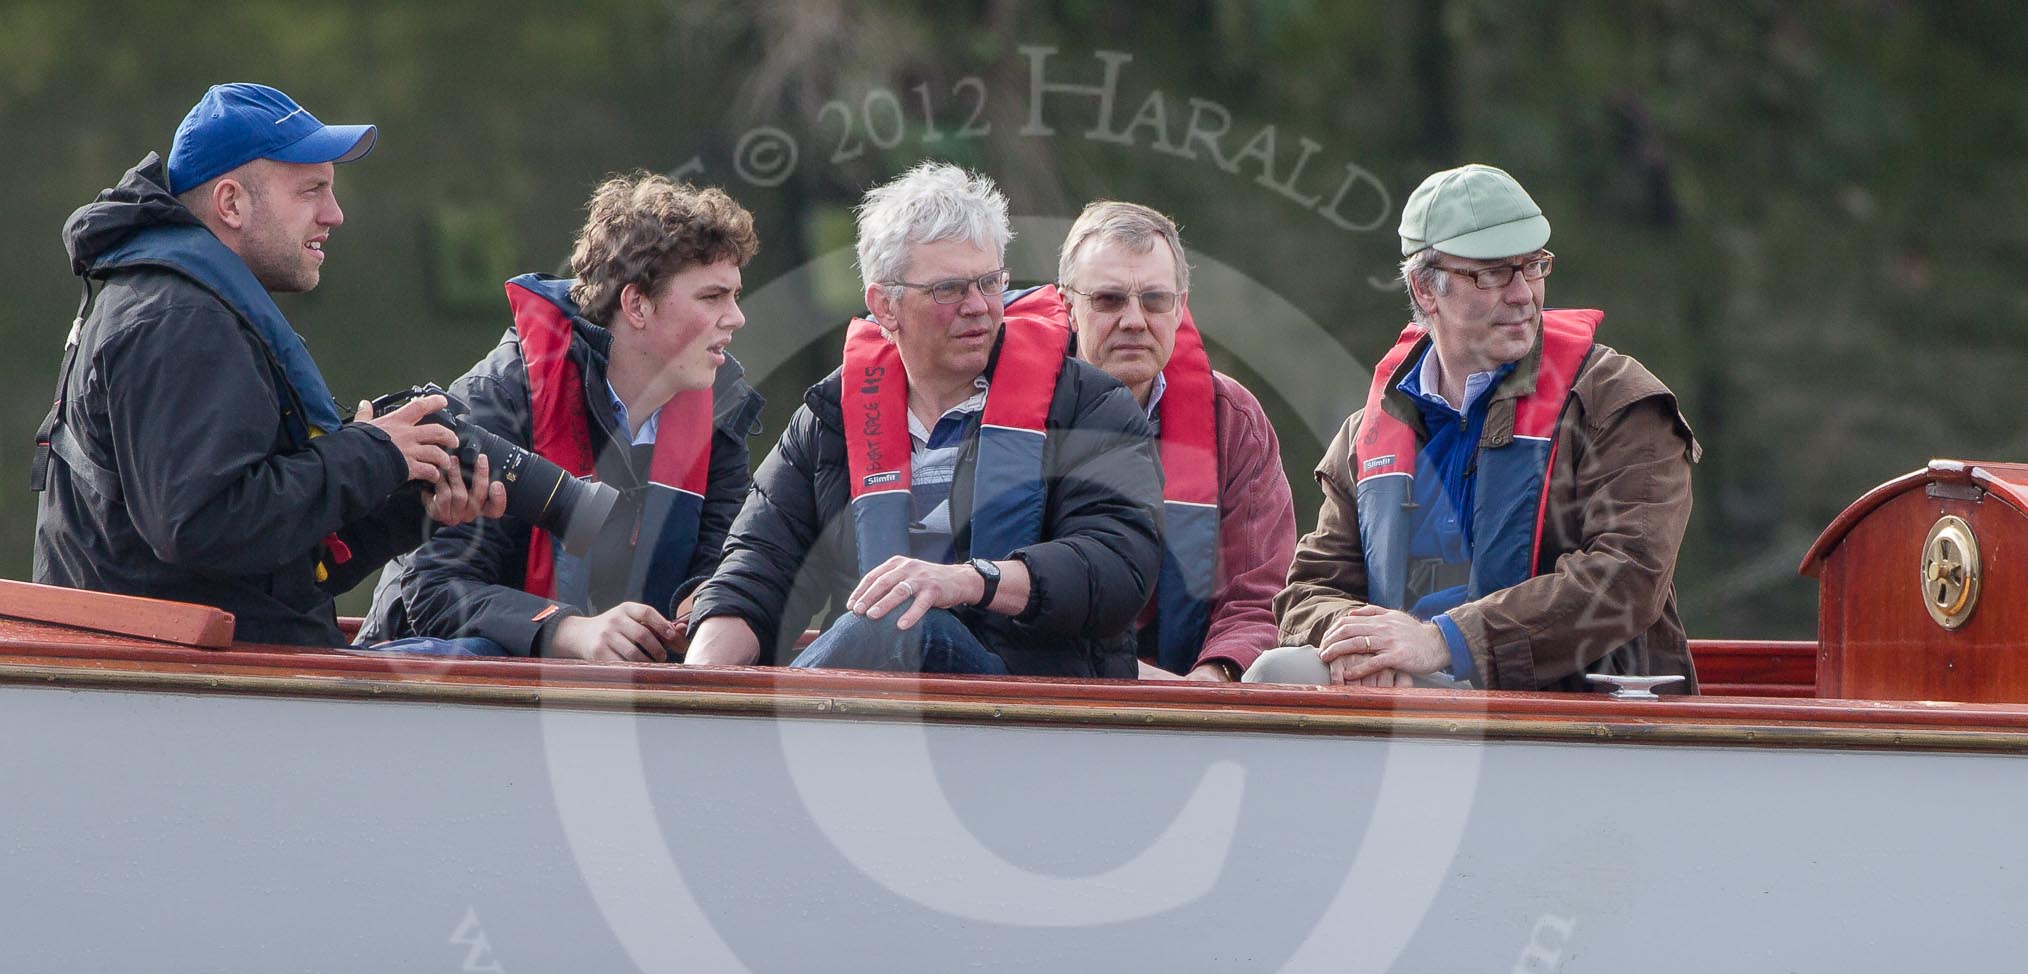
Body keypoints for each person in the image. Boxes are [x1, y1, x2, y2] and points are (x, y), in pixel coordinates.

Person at [31, 82, 501, 647]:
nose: (335, 213)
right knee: (488, 658)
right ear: (231, 203)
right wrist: (372, 450)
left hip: (197, 694)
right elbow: (202, 526)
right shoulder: (179, 320)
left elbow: (263, 567)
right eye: (311, 190)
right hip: (186, 701)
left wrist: (410, 502)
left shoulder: (184, 305)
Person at [685, 162, 1162, 678]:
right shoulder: (828, 419)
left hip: (1037, 714)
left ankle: (772, 742)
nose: (978, 306)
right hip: (878, 721)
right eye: (949, 289)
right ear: (885, 305)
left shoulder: (1090, 407)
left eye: (989, 282)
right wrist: (696, 681)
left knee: (898, 618)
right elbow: (757, 568)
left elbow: (1120, 566)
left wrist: (964, 580)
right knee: (876, 622)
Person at [1259, 163, 1701, 692]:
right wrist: (1363, 642)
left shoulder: (1615, 401)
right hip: (1410, 710)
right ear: (1426, 288)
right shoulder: (1367, 434)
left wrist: (1443, 641)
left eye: (1533, 266)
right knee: (1276, 675)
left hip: (1578, 722)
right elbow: (1309, 589)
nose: (1522, 293)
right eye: (1491, 273)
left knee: (1279, 676)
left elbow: (1628, 578)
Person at [361, 173, 764, 661]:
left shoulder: (720, 414)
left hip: (604, 700)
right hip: (440, 693)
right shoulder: (499, 397)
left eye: (735, 295)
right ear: (637, 304)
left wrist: (698, 607)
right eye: (712, 297)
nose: (736, 317)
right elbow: (435, 592)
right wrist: (573, 632)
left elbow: (716, 564)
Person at [1007, 201, 1297, 681]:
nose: (1135, 320)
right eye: (1109, 300)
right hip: (1037, 685)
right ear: (1067, 307)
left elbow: (1259, 590)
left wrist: (1217, 674)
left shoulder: (1233, 419)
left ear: (1181, 306)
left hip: (1191, 698)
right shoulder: (1007, 414)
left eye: (1156, 300)